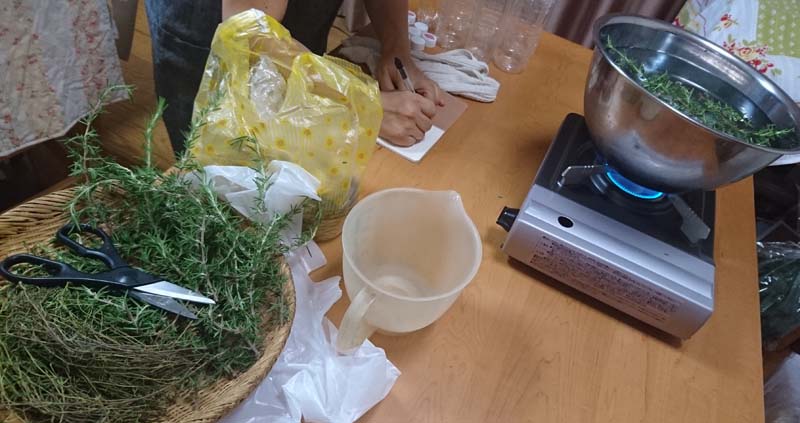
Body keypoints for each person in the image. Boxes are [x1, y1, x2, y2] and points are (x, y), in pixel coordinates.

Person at [145, 0, 443, 154]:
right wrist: (366, 106)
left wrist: (396, 47)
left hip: (283, 26)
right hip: (211, 32)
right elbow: (251, 33)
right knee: (220, 180)